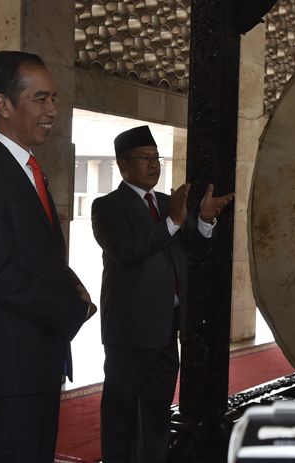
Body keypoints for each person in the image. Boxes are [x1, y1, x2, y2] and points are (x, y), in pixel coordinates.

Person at [0, 51, 96, 462]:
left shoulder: (27, 167)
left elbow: (37, 254)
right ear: (3, 104)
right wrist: (71, 310)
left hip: (37, 361)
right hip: (8, 367)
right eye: (41, 99)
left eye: (54, 99)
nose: (52, 110)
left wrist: (71, 284)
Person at [92, 125, 234, 463]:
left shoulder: (170, 203)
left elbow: (194, 252)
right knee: (121, 414)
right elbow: (126, 251)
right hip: (129, 330)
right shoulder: (107, 206)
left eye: (156, 157)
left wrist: (203, 221)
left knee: (157, 414)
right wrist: (172, 222)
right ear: (122, 165)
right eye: (144, 158)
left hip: (167, 327)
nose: (153, 164)